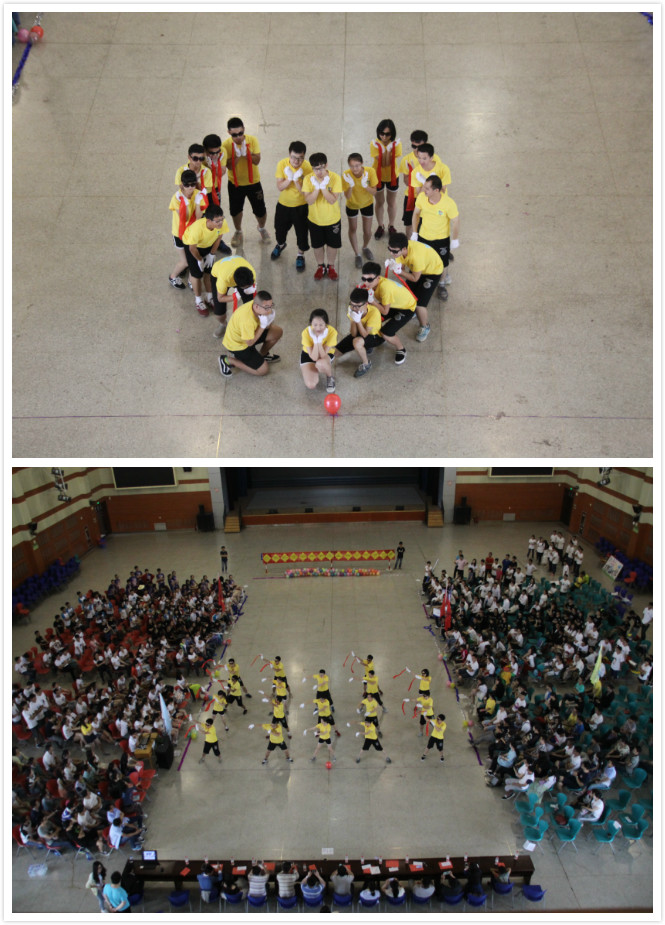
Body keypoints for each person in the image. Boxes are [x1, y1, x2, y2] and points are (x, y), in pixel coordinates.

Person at [385, 231, 443, 341]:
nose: (392, 253)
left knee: (419, 304)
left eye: (394, 251)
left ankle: (425, 326)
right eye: (389, 249)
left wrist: (400, 272)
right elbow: (402, 268)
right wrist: (396, 268)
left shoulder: (416, 257)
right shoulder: (400, 251)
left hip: (433, 271)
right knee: (408, 295)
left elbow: (415, 278)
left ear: (404, 249)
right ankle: (414, 314)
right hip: (419, 269)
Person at [221, 116, 269, 246]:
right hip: (235, 184)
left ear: (244, 129)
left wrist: (246, 153)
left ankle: (261, 228)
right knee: (235, 210)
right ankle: (238, 231)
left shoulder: (252, 140)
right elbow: (229, 167)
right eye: (234, 134)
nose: (238, 137)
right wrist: (237, 156)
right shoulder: (225, 145)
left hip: (254, 182)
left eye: (240, 133)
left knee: (260, 210)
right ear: (229, 132)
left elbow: (257, 161)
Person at [359, 261, 418, 364]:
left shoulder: (385, 288)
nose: (366, 283)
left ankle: (401, 348)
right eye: (364, 279)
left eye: (369, 279)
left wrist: (372, 301)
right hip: (394, 303)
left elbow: (385, 312)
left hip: (407, 308)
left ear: (378, 278)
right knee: (369, 317)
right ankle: (374, 340)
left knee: (386, 333)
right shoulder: (374, 283)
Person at [411, 175, 459, 302]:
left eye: (427, 188)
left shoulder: (448, 203)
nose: (423, 190)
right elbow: (416, 214)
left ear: (436, 190)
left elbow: (456, 221)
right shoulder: (422, 198)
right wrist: (415, 232)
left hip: (441, 239)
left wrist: (455, 239)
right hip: (424, 237)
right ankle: (420, 281)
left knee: (443, 263)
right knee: (421, 261)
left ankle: (441, 284)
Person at [218, 290, 283, 378]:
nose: (270, 310)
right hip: (238, 345)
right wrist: (262, 326)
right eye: (267, 307)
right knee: (263, 370)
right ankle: (227, 360)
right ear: (256, 306)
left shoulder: (256, 305)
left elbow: (267, 328)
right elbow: (249, 343)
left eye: (271, 306)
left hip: (249, 334)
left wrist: (269, 320)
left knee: (278, 332)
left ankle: (263, 355)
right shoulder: (247, 321)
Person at [181, 204, 230, 316]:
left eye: (222, 219)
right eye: (217, 221)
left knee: (209, 272)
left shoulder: (221, 224)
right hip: (193, 247)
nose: (221, 223)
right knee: (197, 274)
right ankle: (198, 300)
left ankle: (209, 297)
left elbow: (218, 238)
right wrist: (199, 260)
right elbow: (192, 248)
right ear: (208, 220)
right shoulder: (197, 229)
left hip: (208, 244)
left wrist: (212, 254)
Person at [302, 152, 343, 280]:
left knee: (332, 245)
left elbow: (332, 200)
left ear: (326, 165)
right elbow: (309, 201)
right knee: (317, 245)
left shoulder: (335, 178)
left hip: (332, 219)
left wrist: (323, 187)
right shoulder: (308, 179)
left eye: (321, 168)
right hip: (315, 219)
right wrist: (316, 188)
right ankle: (320, 266)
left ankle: (331, 266)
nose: (318, 172)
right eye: (315, 169)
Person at [272, 140, 311, 270]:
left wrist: (296, 180)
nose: (296, 161)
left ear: (304, 157)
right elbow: (280, 187)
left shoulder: (307, 167)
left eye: (300, 158)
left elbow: (305, 192)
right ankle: (281, 244)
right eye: (294, 157)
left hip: (301, 206)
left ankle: (300, 255)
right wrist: (289, 178)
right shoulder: (282, 164)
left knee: (302, 233)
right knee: (279, 230)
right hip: (283, 204)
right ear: (289, 154)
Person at [332, 287, 383, 378]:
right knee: (335, 353)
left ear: (366, 304)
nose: (354, 308)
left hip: (375, 336)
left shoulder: (374, 313)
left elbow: (365, 335)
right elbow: (353, 334)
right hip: (360, 333)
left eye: (358, 306)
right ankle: (366, 347)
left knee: (357, 342)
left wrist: (358, 321)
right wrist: (353, 320)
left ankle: (366, 364)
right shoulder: (351, 309)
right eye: (352, 305)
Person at [168, 169, 207, 289]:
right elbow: (184, 218)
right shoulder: (177, 198)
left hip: (192, 233)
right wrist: (186, 203)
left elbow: (198, 218)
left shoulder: (198, 195)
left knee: (193, 260)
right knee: (185, 262)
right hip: (179, 233)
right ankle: (173, 277)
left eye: (193, 184)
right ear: (182, 185)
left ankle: (191, 280)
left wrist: (198, 203)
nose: (190, 188)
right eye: (187, 185)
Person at [342, 153, 378, 268]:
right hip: (352, 204)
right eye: (352, 166)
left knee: (367, 231)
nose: (355, 169)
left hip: (367, 204)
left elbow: (374, 192)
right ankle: (357, 253)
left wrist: (365, 186)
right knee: (353, 228)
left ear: (362, 164)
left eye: (357, 165)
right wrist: (350, 186)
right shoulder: (346, 175)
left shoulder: (370, 172)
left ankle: (365, 247)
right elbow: (347, 196)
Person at [210, 257, 256, 338]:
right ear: (237, 285)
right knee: (219, 313)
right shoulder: (223, 279)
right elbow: (220, 298)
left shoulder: (251, 274)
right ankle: (223, 324)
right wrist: (235, 296)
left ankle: (248, 324)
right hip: (218, 272)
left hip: (235, 265)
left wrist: (252, 288)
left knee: (250, 306)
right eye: (246, 287)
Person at [371, 119, 402, 238]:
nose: (384, 137)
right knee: (379, 202)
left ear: (392, 133)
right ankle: (380, 225)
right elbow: (383, 164)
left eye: (387, 134)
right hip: (377, 176)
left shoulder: (397, 144)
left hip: (392, 176)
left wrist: (387, 150)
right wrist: (386, 150)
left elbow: (388, 163)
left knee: (391, 202)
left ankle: (391, 225)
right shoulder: (374, 144)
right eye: (381, 133)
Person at [399, 128, 429, 236]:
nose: (416, 149)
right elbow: (406, 181)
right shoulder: (406, 160)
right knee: (409, 224)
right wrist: (414, 175)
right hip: (411, 196)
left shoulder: (434, 159)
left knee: (426, 223)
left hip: (427, 196)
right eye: (413, 146)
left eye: (419, 146)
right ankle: (409, 244)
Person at [300, 308, 338, 393]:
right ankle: (311, 369)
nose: (318, 328)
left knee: (321, 363)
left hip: (325, 354)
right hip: (309, 354)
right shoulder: (305, 332)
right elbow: (314, 357)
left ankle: (329, 377)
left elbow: (322, 356)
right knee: (311, 384)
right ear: (311, 323)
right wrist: (315, 340)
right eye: (315, 325)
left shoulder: (332, 332)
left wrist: (319, 340)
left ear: (326, 324)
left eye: (321, 325)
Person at [202, 132, 227, 208]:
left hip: (214, 187)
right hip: (201, 188)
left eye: (217, 152)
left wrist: (215, 165)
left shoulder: (222, 152)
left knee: (216, 211)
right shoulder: (198, 156)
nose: (215, 155)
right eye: (212, 153)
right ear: (205, 150)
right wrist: (207, 167)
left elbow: (222, 173)